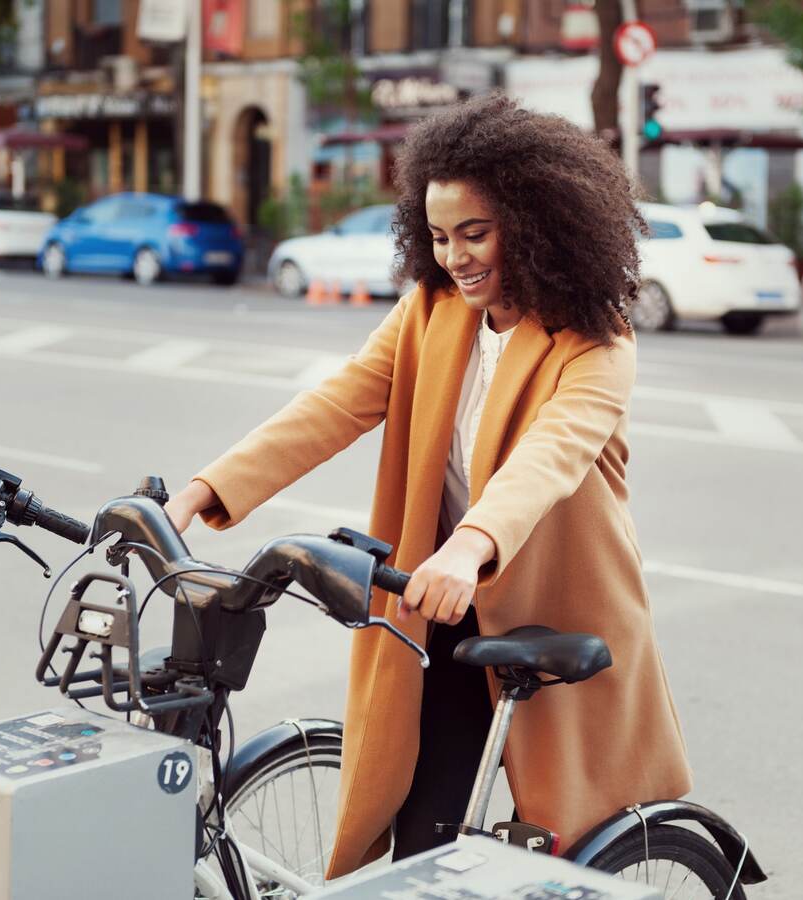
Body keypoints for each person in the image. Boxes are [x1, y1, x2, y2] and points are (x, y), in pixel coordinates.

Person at [164, 92, 693, 877]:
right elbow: (341, 401)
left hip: (552, 604)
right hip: (439, 603)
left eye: (477, 233)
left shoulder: (595, 343)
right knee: (426, 841)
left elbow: (549, 454)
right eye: (440, 237)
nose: (456, 257)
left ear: (537, 221)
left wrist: (470, 544)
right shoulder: (431, 309)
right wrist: (206, 491)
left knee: (570, 839)